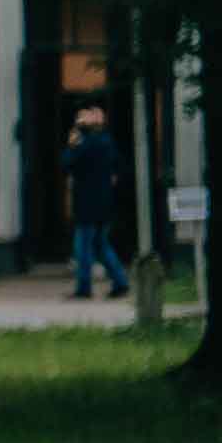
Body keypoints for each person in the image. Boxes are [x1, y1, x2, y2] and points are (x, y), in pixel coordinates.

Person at [62, 102, 132, 300]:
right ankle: (120, 282)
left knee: (83, 247)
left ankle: (84, 288)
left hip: (86, 203)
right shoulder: (107, 142)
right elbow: (117, 168)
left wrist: (71, 145)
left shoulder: (84, 143)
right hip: (104, 202)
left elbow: (67, 163)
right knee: (101, 244)